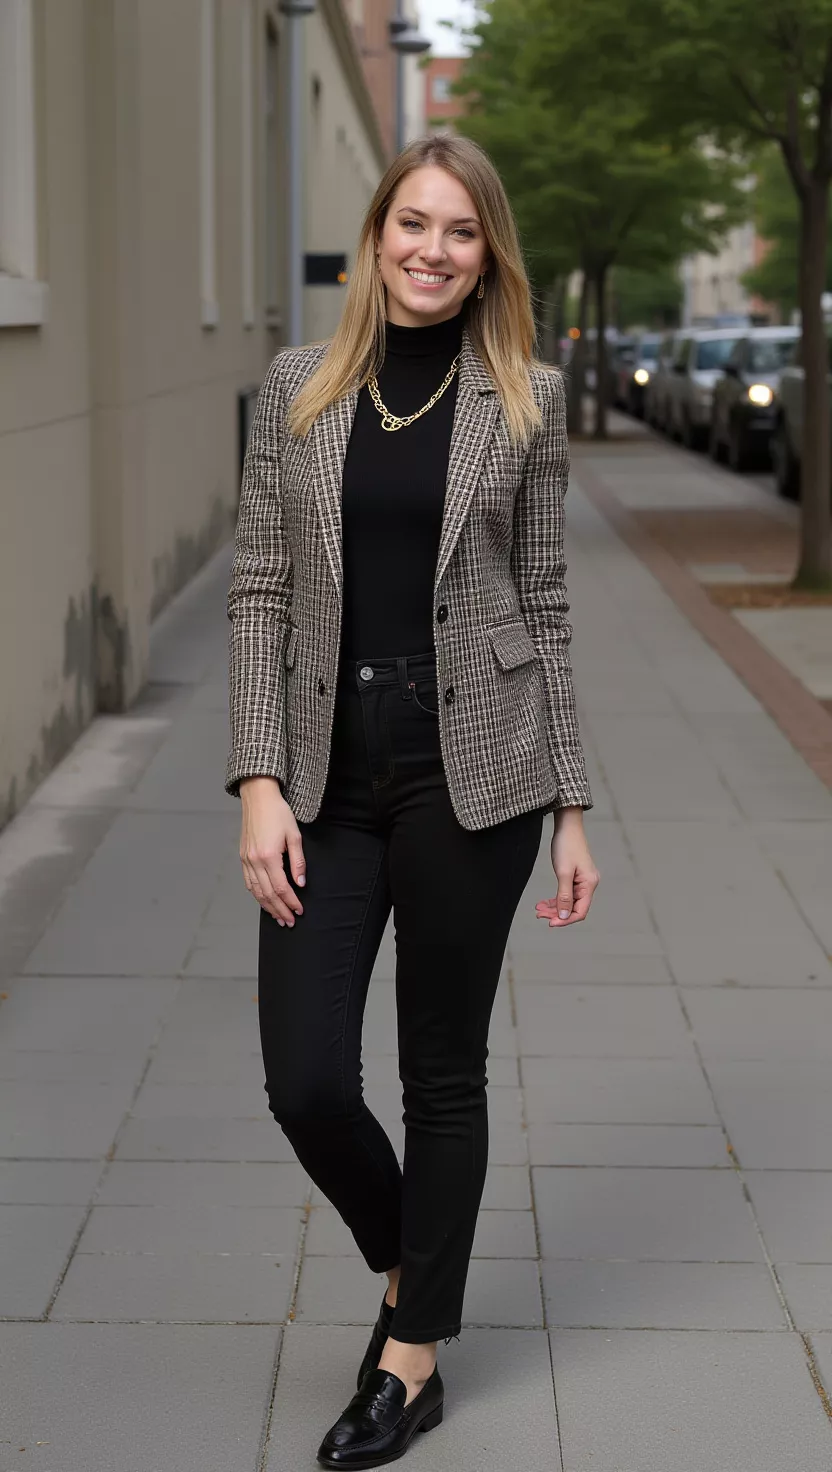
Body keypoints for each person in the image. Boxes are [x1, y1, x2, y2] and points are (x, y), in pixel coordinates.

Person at [225, 133, 600, 1469]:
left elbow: (546, 606)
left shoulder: (527, 397)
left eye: (460, 232)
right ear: (378, 231)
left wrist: (570, 806)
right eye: (412, 224)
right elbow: (261, 585)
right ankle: (417, 1272)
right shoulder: (296, 390)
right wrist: (259, 781)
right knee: (307, 1077)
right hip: (326, 768)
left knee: (441, 1072)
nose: (432, 251)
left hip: (475, 770)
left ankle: (411, 1360)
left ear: (488, 252)